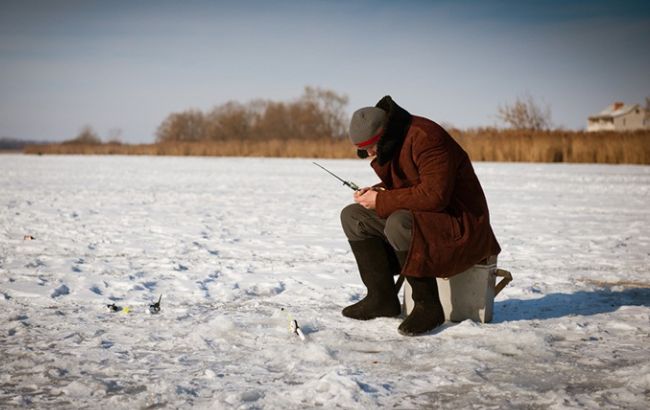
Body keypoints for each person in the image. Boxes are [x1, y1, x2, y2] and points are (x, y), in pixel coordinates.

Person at [340, 95, 501, 336]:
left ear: (383, 136)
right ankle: (381, 298)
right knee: (354, 217)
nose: (369, 154)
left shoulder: (427, 138)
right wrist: (380, 190)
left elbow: (435, 196)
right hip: (430, 219)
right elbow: (410, 187)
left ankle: (428, 306)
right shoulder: (395, 141)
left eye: (369, 148)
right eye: (362, 152)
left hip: (461, 224)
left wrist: (382, 200)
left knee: (399, 223)